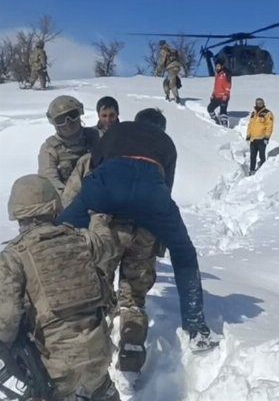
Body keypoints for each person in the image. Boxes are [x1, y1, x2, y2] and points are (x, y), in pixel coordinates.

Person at [57, 108, 217, 351]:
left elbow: (95, 165)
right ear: (161, 128)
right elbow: (166, 184)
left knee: (59, 231)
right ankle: (196, 327)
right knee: (184, 252)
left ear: (136, 120)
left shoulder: (117, 130)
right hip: (150, 194)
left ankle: (31, 276)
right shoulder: (166, 142)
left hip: (107, 187)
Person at [0, 174, 120, 400]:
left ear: (17, 213)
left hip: (54, 367)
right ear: (54, 206)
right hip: (98, 353)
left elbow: (7, 316)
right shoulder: (81, 240)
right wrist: (99, 217)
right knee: (101, 391)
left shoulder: (10, 259)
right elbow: (106, 244)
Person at [60, 151, 159, 380]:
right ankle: (130, 353)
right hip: (143, 230)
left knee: (97, 289)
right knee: (133, 298)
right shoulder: (147, 161)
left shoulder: (93, 159)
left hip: (105, 231)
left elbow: (69, 199)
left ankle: (94, 355)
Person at [38, 95, 99, 194]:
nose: (68, 122)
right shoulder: (50, 149)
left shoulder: (96, 136)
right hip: (69, 200)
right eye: (61, 119)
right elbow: (50, 182)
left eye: (72, 115)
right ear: (54, 123)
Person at [245, 97, 274, 175]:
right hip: (253, 139)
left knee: (262, 155)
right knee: (252, 156)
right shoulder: (253, 113)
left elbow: (269, 126)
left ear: (263, 103)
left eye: (261, 102)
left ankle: (263, 170)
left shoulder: (267, 113)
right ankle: (252, 170)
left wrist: (267, 137)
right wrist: (248, 136)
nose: (259, 104)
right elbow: (250, 125)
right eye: (258, 103)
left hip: (262, 139)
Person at [207, 60, 232, 126]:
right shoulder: (217, 74)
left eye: (218, 66)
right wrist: (213, 94)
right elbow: (216, 86)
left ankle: (225, 125)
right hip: (216, 96)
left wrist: (226, 94)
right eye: (216, 66)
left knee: (223, 111)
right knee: (210, 108)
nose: (217, 67)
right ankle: (215, 120)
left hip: (224, 96)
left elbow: (228, 85)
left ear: (222, 66)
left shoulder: (226, 73)